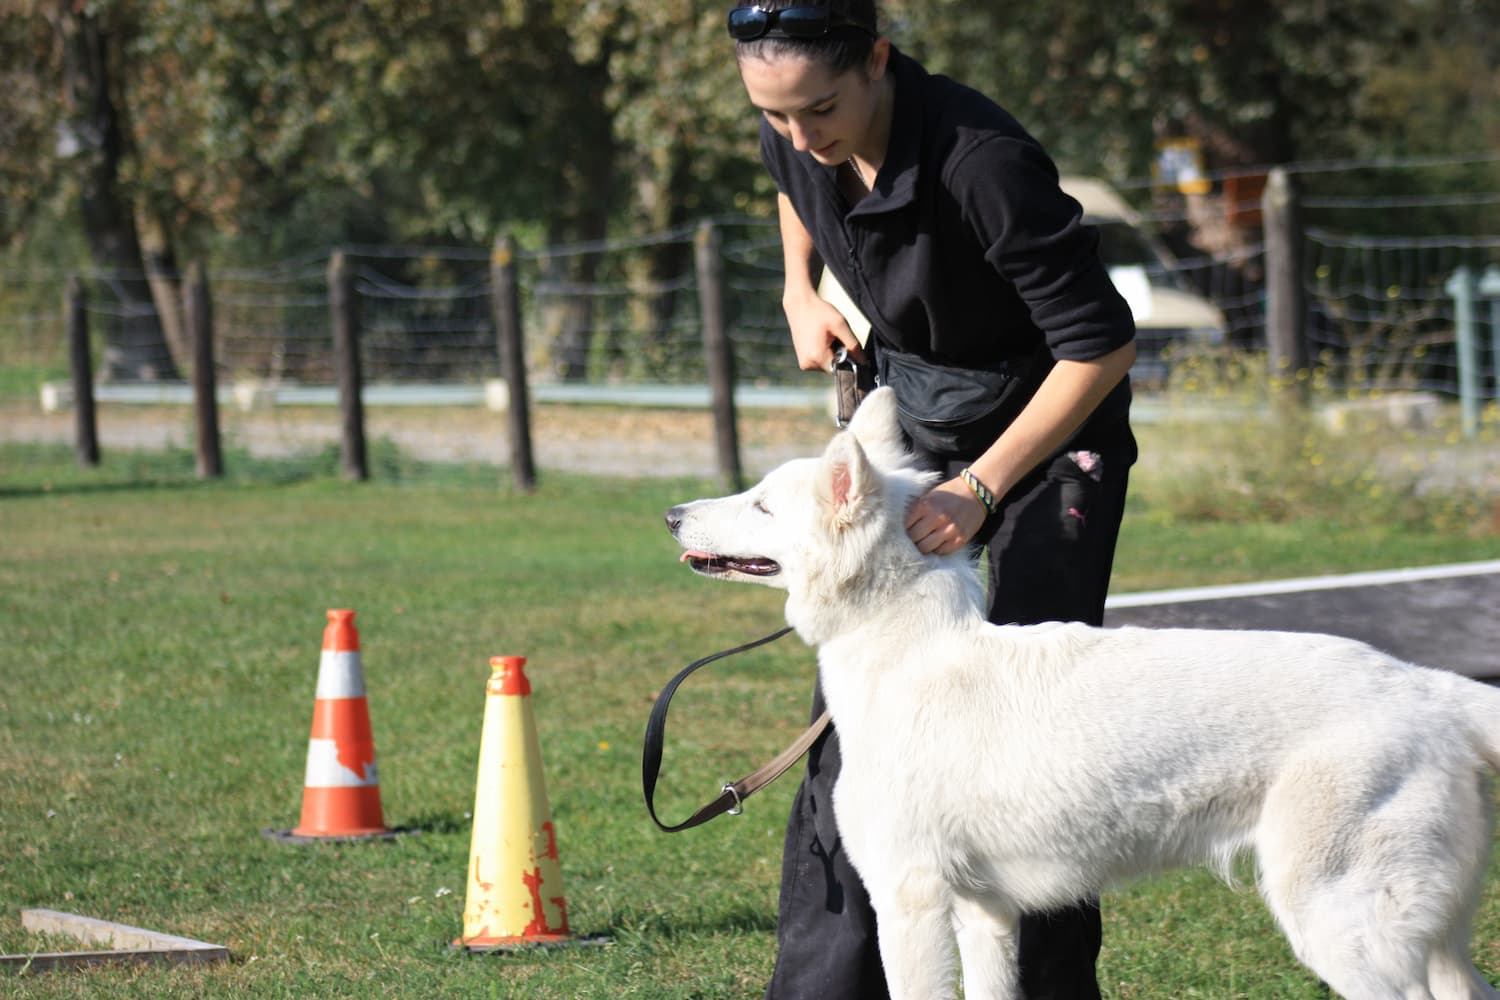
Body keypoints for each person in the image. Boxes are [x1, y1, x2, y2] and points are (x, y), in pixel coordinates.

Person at [727, 2, 1139, 998]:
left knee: (1031, 723)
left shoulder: (983, 160)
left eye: (818, 110)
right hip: (917, 405)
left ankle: (1045, 986)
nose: (798, 136)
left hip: (1048, 434)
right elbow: (792, 179)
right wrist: (800, 287)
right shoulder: (796, 122)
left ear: (877, 59)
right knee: (858, 712)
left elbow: (1102, 341)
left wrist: (983, 486)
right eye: (775, 115)